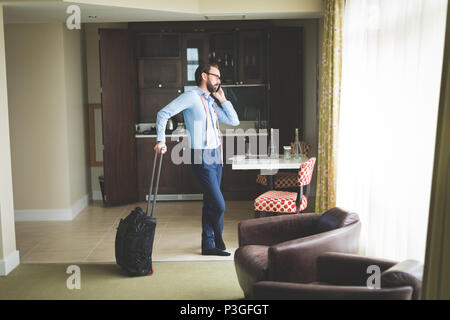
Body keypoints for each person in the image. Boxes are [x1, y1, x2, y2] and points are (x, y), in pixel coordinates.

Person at [154, 63, 240, 256]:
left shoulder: (210, 102)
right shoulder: (191, 97)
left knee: (210, 202)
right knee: (219, 204)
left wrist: (223, 99)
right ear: (204, 76)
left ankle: (208, 245)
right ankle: (216, 235)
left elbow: (234, 121)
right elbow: (163, 113)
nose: (219, 81)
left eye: (219, 78)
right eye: (216, 76)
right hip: (201, 156)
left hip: (217, 156)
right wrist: (161, 140)